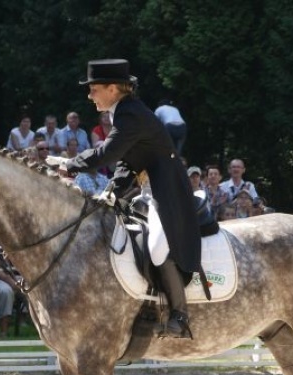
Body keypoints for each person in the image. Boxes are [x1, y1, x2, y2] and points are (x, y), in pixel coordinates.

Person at [61, 59, 203, 338]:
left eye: (93, 90)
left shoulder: (130, 114)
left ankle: (180, 315)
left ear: (112, 89)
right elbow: (127, 161)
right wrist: (111, 190)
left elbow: (108, 154)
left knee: (159, 246)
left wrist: (71, 164)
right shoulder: (123, 112)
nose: (89, 96)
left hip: (167, 190)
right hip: (148, 187)